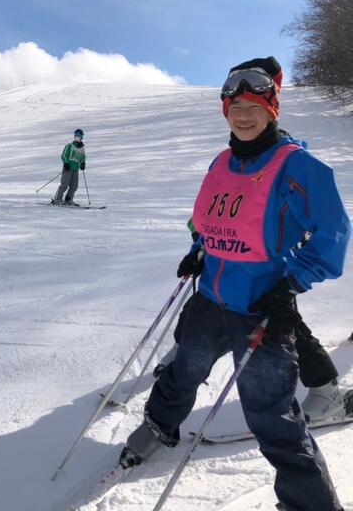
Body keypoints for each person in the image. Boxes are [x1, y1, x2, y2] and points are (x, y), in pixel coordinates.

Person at [122, 57, 350, 511]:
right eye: (235, 107)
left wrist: (291, 284)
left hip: (260, 307)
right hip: (209, 299)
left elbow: (333, 236)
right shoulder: (221, 162)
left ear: (272, 110)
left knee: (272, 416)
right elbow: (210, 220)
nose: (244, 116)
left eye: (254, 107)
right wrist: (200, 248)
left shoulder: (300, 167)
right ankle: (158, 425)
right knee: (182, 371)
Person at [157, 219, 352, 424]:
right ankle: (182, 351)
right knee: (203, 305)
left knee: (280, 326)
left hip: (267, 264)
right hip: (228, 260)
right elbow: (205, 216)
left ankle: (326, 389)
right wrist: (200, 243)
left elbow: (327, 226)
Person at [52, 128, 85, 206]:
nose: (77, 137)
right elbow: (64, 155)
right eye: (76, 135)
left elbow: (82, 157)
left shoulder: (82, 148)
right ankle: (57, 199)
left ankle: (68, 199)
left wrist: (82, 164)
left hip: (75, 169)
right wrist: (66, 163)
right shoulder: (69, 146)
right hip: (68, 168)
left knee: (74, 186)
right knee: (64, 185)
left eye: (79, 136)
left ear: (81, 137)